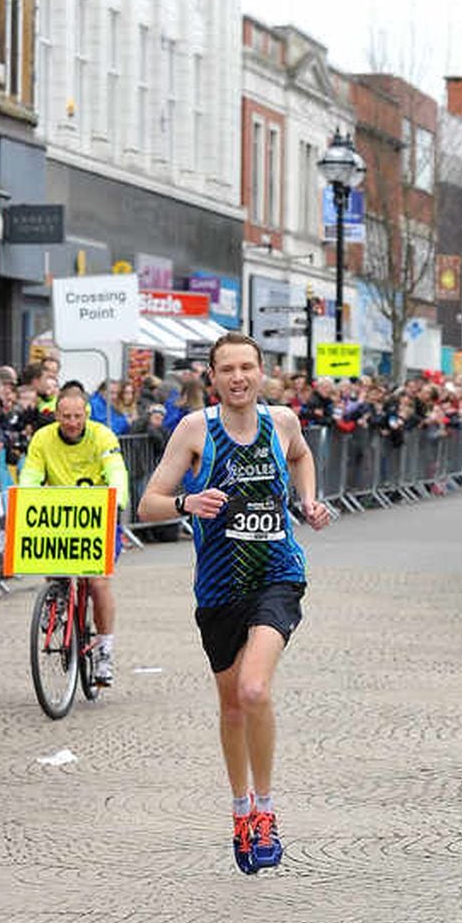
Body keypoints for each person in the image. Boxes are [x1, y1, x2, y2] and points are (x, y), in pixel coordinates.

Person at [136, 332, 330, 875]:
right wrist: (186, 502)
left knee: (253, 689)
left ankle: (265, 810)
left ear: (262, 371)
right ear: (213, 377)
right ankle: (240, 807)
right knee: (230, 705)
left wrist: (308, 500)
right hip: (219, 586)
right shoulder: (196, 430)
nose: (239, 377)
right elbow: (148, 503)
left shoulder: (282, 422)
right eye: (228, 369)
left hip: (277, 574)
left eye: (248, 367)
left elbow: (302, 455)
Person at [19, 381, 130, 685]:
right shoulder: (42, 439)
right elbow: (31, 473)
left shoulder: (102, 435)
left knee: (97, 582)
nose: (72, 422)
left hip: (97, 515)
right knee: (51, 563)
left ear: (86, 414)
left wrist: (117, 497)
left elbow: (116, 469)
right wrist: (25, 496)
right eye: (66, 416)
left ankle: (105, 649)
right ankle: (55, 600)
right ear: (56, 415)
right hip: (60, 516)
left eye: (77, 416)